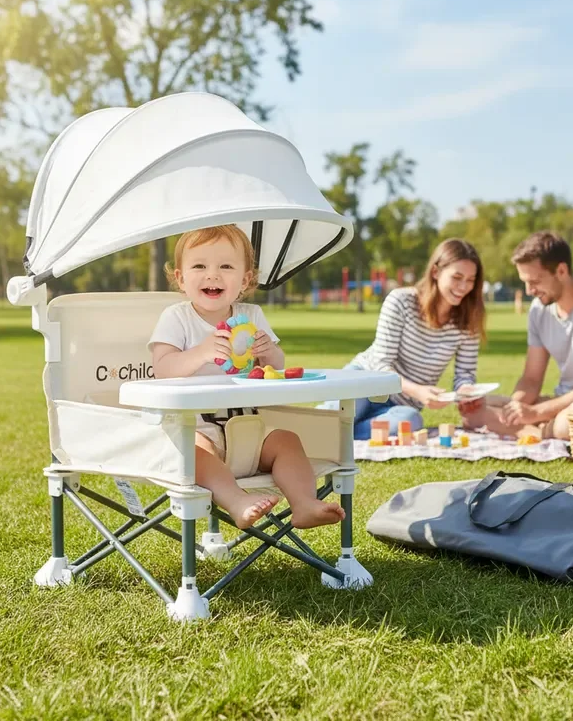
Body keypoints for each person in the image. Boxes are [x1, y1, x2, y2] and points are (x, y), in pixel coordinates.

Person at [149, 224, 345, 530]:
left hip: (249, 427)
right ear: (181, 278)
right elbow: (162, 368)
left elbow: (277, 366)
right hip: (198, 427)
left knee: (287, 441)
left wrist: (269, 353)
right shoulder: (177, 318)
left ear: (245, 279)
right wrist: (200, 352)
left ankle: (304, 503)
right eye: (199, 266)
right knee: (194, 451)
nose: (212, 275)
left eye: (226, 266)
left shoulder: (251, 315)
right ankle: (236, 499)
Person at [463, 231, 573, 440]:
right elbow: (531, 379)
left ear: (562, 270)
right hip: (562, 402)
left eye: (535, 281)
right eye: (525, 282)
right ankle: (537, 431)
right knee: (475, 410)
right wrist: (516, 407)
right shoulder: (539, 309)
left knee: (569, 421)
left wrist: (537, 412)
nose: (529, 291)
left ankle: (537, 431)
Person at [340, 239, 486, 440]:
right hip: (366, 382)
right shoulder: (401, 301)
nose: (464, 286)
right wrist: (418, 391)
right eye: (457, 277)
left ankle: (338, 434)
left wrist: (465, 390)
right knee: (334, 413)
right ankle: (332, 429)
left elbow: (465, 373)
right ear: (435, 272)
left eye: (471, 280)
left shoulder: (468, 321)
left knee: (411, 421)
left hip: (401, 406)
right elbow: (380, 365)